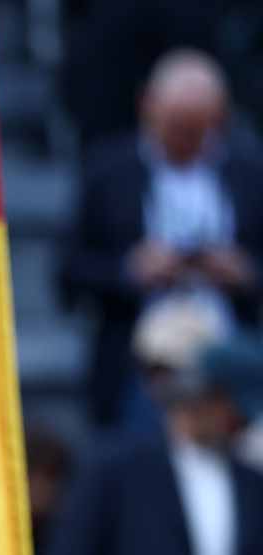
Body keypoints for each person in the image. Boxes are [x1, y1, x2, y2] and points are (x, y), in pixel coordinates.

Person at [38, 335, 263, 555]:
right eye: (233, 410)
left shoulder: (250, 483)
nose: (238, 424)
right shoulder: (116, 469)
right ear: (208, 399)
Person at [58, 49, 263, 430]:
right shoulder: (108, 173)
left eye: (198, 129)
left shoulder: (250, 173)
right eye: (176, 126)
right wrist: (130, 270)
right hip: (141, 361)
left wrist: (244, 271)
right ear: (147, 107)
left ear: (220, 120)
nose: (186, 140)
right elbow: (68, 276)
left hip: (232, 353)